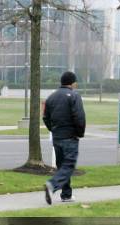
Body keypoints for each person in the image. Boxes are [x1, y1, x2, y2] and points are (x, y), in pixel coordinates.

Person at [43, 71, 86, 205]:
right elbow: (79, 117)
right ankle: (52, 185)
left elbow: (46, 117)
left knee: (63, 166)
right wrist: (80, 133)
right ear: (73, 83)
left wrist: (53, 129)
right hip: (70, 136)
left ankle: (66, 195)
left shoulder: (51, 97)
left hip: (57, 137)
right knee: (69, 165)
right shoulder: (74, 96)